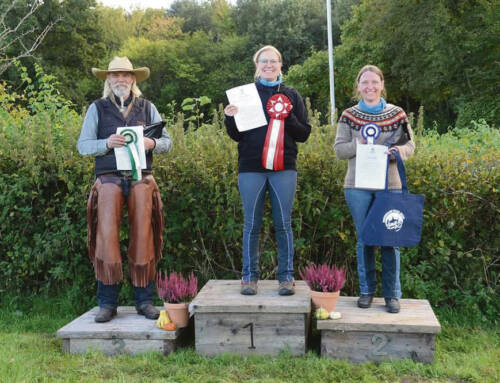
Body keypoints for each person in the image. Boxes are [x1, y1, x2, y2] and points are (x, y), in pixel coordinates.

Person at [77, 57, 172, 322]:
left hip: (142, 179)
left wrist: (152, 143)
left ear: (133, 79)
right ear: (108, 79)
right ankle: (107, 303)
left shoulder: (148, 107)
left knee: (143, 237)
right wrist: (106, 143)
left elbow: (168, 142)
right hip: (108, 180)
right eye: (115, 75)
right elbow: (83, 146)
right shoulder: (97, 108)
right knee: (106, 238)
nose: (121, 79)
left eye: (125, 75)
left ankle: (144, 301)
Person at [224, 45, 311, 296]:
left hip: (284, 168)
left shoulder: (292, 95)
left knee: (283, 224)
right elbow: (236, 135)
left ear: (281, 65)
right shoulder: (244, 95)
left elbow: (304, 134)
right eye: (264, 61)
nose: (269, 65)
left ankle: (286, 278)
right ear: (256, 65)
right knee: (252, 224)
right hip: (250, 167)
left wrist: (288, 116)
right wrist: (230, 117)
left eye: (273, 61)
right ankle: (249, 278)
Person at [334, 65, 415, 313]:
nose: (370, 87)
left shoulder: (397, 114)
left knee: (391, 239)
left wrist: (397, 152)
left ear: (382, 84)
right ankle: (366, 291)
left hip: (390, 184)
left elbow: (410, 145)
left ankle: (392, 295)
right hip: (357, 186)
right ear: (358, 86)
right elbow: (339, 150)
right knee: (365, 239)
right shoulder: (349, 115)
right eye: (365, 82)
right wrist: (359, 144)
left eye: (374, 82)